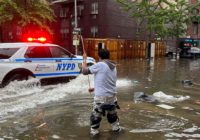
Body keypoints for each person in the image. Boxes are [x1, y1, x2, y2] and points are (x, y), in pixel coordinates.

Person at [82, 49, 121, 136]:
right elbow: (107, 82)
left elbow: (84, 71)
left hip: (101, 98)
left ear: (99, 57)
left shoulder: (100, 64)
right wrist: (95, 88)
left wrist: (84, 59)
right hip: (112, 97)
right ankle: (117, 132)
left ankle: (95, 134)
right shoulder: (113, 66)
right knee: (113, 118)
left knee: (95, 118)